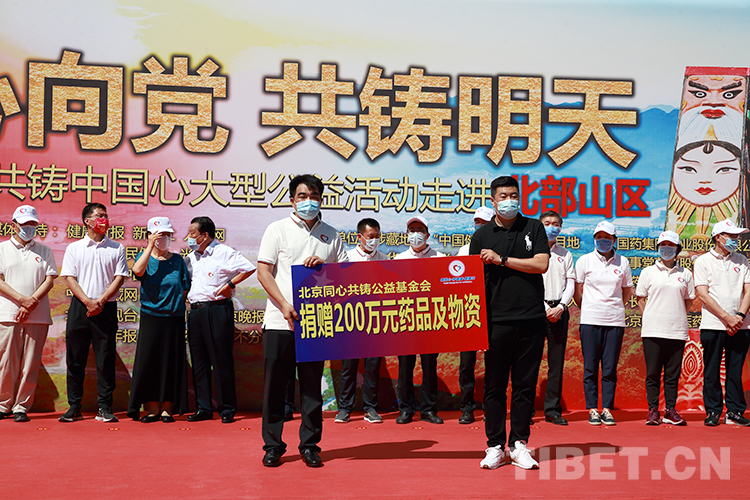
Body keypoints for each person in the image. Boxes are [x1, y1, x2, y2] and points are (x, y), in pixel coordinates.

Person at [257, 174, 348, 468]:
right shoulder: (277, 229)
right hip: (279, 321)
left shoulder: (331, 235)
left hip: (315, 324)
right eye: (302, 196)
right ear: (292, 200)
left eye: (314, 196)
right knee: (275, 387)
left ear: (321, 200)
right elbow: (263, 272)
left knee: (311, 389)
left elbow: (345, 277)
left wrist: (326, 267)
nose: (309, 202)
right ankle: (273, 446)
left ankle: (310, 445)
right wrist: (284, 305)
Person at [472, 176, 549, 470]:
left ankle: (519, 445)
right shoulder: (482, 236)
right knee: (494, 386)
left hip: (531, 319)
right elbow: (471, 283)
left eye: (514, 195)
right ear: (493, 201)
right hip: (496, 322)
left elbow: (541, 264)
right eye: (503, 196)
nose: (509, 201)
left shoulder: (533, 227)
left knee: (524, 386)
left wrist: (502, 259)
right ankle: (494, 446)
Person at [59, 203, 128, 423]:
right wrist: (88, 302)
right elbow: (70, 278)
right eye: (99, 216)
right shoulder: (74, 248)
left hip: (106, 308)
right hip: (80, 307)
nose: (104, 219)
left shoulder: (117, 248)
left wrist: (101, 301)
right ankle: (74, 406)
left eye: (105, 216)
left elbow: (119, 278)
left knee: (105, 359)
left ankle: (105, 407)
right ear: (87, 221)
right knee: (75, 359)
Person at [185, 216, 255, 424]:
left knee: (221, 360)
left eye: (192, 233)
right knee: (199, 361)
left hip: (217, 310)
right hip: (196, 311)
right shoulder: (189, 258)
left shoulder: (223, 252)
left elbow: (248, 268)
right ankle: (203, 408)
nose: (189, 237)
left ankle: (227, 408)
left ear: (205, 235)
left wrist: (230, 284)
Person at [127, 217, 190, 423]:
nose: (164, 238)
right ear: (150, 235)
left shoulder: (177, 260)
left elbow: (184, 288)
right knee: (151, 362)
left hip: (173, 318)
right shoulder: (143, 257)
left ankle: (167, 408)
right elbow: (137, 271)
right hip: (151, 317)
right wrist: (149, 247)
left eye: (167, 235)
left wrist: (175, 305)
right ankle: (152, 407)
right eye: (159, 235)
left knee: (171, 362)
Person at [0, 206, 57, 422]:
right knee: (7, 361)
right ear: (14, 224)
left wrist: (31, 302)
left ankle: (21, 407)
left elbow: (49, 280)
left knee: (31, 362)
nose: (29, 228)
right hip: (8, 313)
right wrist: (21, 300)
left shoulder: (44, 251)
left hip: (38, 314)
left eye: (32, 224)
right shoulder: (2, 249)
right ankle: (3, 404)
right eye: (24, 224)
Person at [573, 220, 633, 427]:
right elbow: (577, 291)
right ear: (594, 239)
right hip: (590, 320)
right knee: (590, 367)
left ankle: (607, 408)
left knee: (609, 367)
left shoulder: (623, 262)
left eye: (607, 237)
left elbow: (626, 291)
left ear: (614, 239)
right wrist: (589, 308)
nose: (603, 241)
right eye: (599, 237)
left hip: (615, 321)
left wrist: (614, 307)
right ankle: (592, 409)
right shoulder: (585, 261)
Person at [693, 219, 750, 426]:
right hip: (713, 324)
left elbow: (748, 291)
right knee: (712, 368)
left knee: (735, 370)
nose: (735, 239)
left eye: (736, 236)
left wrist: (739, 316)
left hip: (741, 325)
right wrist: (727, 317)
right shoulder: (702, 261)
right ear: (718, 237)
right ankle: (713, 411)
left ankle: (734, 411)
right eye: (731, 236)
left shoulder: (742, 260)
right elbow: (703, 294)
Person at [635, 230, 694, 426]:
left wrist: (676, 315)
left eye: (670, 246)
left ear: (677, 249)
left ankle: (670, 410)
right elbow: (640, 298)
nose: (666, 249)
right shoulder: (648, 272)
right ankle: (653, 410)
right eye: (663, 245)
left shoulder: (685, 273)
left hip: (676, 330)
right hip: (653, 330)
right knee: (653, 373)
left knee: (672, 374)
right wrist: (650, 317)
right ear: (658, 248)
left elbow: (688, 301)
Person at [334, 217, 388, 424]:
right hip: (351, 320)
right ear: (359, 237)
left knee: (372, 367)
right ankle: (344, 408)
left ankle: (370, 408)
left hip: (375, 322)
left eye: (377, 236)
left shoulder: (385, 260)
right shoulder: (346, 258)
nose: (374, 240)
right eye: (370, 236)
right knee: (349, 367)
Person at [393, 215, 445, 425]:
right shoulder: (398, 259)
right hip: (406, 321)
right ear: (406, 234)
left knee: (429, 365)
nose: (415, 234)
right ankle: (406, 409)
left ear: (427, 234)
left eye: (420, 230)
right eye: (412, 230)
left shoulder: (440, 258)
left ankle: (428, 409)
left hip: (431, 321)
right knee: (405, 366)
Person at [457, 206, 493, 424]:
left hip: (494, 311)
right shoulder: (464, 250)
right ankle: (467, 408)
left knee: (494, 363)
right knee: (466, 364)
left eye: (484, 223)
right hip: (468, 311)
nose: (479, 226)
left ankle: (491, 407)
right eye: (477, 222)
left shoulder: (501, 249)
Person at [539, 210, 575, 426]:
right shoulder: (531, 251)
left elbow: (570, 283)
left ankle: (552, 409)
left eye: (555, 224)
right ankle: (525, 409)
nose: (551, 227)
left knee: (556, 362)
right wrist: (544, 307)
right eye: (546, 223)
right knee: (529, 363)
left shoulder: (565, 254)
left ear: (560, 228)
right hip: (536, 311)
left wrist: (561, 306)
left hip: (559, 311)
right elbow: (529, 281)